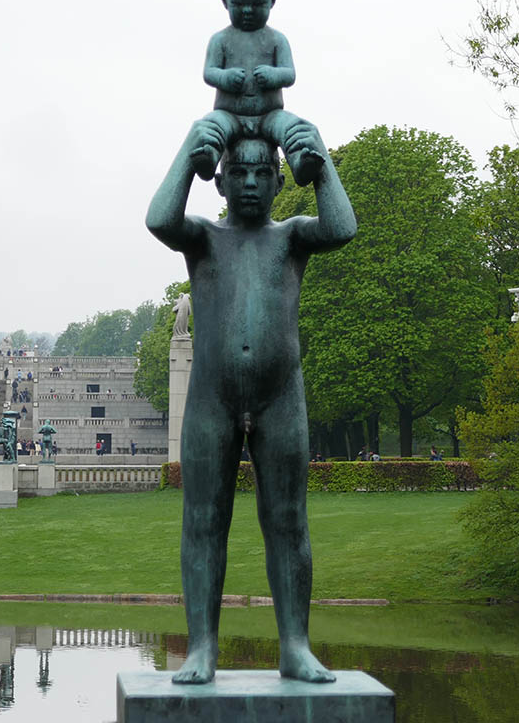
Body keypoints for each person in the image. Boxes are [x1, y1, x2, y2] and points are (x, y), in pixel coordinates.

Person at [146, 110, 355, 685]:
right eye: (239, 172)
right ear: (221, 177)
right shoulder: (204, 240)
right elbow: (158, 218)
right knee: (203, 522)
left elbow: (343, 228)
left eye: (264, 173)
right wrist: (192, 148)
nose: (252, 182)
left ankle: (295, 645)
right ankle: (202, 648)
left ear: (279, 177)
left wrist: (321, 165)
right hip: (212, 397)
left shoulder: (291, 238)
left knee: (288, 521)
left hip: (279, 396)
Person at [188, 0, 324, 187]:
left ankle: (301, 163)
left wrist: (273, 75)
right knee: (212, 126)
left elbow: (289, 74)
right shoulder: (220, 40)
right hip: (229, 114)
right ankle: (208, 158)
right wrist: (225, 77)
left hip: (270, 114)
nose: (248, 11)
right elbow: (209, 72)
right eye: (239, 4)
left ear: (271, 0)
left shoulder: (277, 40)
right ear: (225, 1)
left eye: (257, 4)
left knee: (291, 127)